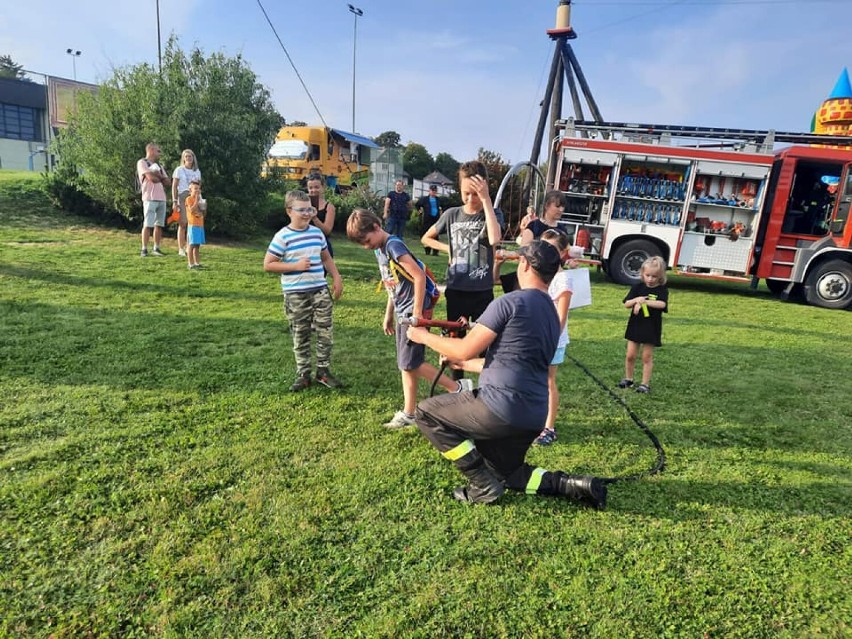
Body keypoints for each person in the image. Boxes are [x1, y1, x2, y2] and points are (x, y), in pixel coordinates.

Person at [406, 240, 607, 508]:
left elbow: (465, 348)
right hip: (533, 416)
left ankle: (481, 482)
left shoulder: (509, 302)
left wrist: (422, 336)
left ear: (524, 264)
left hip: (499, 409)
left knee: (427, 413)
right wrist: (463, 365)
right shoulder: (551, 312)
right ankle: (571, 485)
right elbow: (513, 364)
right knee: (510, 474)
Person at [346, 210, 473, 428]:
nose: (367, 246)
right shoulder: (380, 249)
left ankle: (458, 389)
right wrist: (389, 314)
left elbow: (418, 276)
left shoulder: (393, 246)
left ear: (377, 227)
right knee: (406, 364)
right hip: (401, 311)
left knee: (410, 362)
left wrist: (417, 315)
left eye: (367, 241)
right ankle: (410, 412)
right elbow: (391, 284)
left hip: (414, 312)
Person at [421, 161, 502, 380]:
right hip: (457, 290)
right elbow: (426, 238)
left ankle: (486, 390)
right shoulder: (452, 214)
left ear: (484, 188)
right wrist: (448, 248)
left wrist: (486, 200)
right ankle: (457, 389)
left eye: (475, 194)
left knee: (485, 345)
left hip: (482, 291)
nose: (470, 199)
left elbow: (495, 239)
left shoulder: (491, 213)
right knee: (455, 343)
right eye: (466, 193)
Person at [264, 190, 344, 392]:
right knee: (301, 334)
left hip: (320, 290)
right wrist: (295, 266)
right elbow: (268, 264)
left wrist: (336, 277)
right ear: (289, 211)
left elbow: (326, 258)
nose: (308, 213)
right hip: (296, 294)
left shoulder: (317, 233)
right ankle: (303, 374)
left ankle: (323, 372)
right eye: (302, 210)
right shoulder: (283, 236)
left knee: (325, 332)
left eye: (310, 208)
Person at [617, 256, 669, 394]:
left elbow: (662, 304)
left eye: (654, 276)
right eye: (648, 275)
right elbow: (627, 304)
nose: (651, 279)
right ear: (642, 274)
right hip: (635, 326)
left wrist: (644, 303)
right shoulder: (637, 288)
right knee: (630, 355)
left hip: (651, 327)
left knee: (646, 356)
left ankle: (644, 384)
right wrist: (636, 300)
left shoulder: (662, 290)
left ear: (661, 276)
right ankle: (628, 379)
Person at [137, 142, 171, 257]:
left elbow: (168, 182)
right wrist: (157, 176)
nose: (159, 153)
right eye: (158, 151)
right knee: (147, 224)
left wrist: (158, 175)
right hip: (149, 197)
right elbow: (152, 179)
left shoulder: (159, 166)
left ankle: (156, 248)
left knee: (159, 224)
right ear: (151, 150)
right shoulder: (142, 163)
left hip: (161, 198)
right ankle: (144, 249)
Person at [171, 149, 201, 257]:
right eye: (186, 156)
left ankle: (189, 247)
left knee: (192, 223)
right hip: (183, 196)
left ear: (193, 158)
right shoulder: (179, 170)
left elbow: (199, 186)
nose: (189, 158)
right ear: (183, 158)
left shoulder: (197, 171)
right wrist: (174, 201)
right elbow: (174, 186)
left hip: (193, 197)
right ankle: (181, 248)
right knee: (183, 223)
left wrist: (199, 200)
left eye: (190, 156)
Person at [306, 173, 336, 257]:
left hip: (322, 246)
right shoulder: (303, 205)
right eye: (310, 188)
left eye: (317, 187)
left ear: (323, 187)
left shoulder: (329, 207)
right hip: (305, 244)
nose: (313, 190)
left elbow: (327, 231)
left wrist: (315, 218)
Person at [184, 179, 207, 270]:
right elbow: (192, 210)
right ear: (190, 190)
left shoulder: (200, 199)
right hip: (193, 225)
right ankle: (190, 264)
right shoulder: (189, 199)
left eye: (199, 189)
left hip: (200, 224)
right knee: (191, 245)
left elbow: (204, 213)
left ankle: (197, 263)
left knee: (197, 245)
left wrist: (204, 206)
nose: (197, 191)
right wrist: (196, 200)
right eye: (195, 189)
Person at [415, 185, 442, 255]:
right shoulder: (425, 199)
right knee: (427, 235)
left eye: (435, 191)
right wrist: (419, 210)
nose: (433, 192)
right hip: (427, 219)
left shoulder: (438, 199)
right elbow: (417, 204)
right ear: (429, 191)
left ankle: (435, 252)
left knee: (435, 235)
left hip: (436, 219)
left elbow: (441, 207)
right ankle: (427, 251)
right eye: (432, 191)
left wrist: (441, 214)